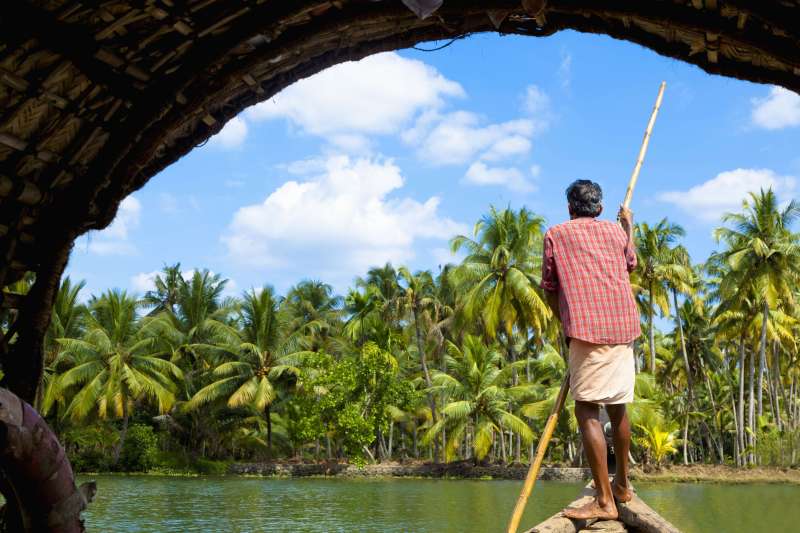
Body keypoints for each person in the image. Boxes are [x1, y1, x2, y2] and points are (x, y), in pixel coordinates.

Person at [540, 179, 639, 520]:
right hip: (623, 327)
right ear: (598, 209)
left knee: (586, 410)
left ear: (570, 208)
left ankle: (604, 500)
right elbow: (631, 263)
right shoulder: (615, 233)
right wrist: (628, 227)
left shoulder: (556, 234)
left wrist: (564, 322)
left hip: (586, 330)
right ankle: (622, 485)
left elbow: (550, 287)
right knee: (618, 407)